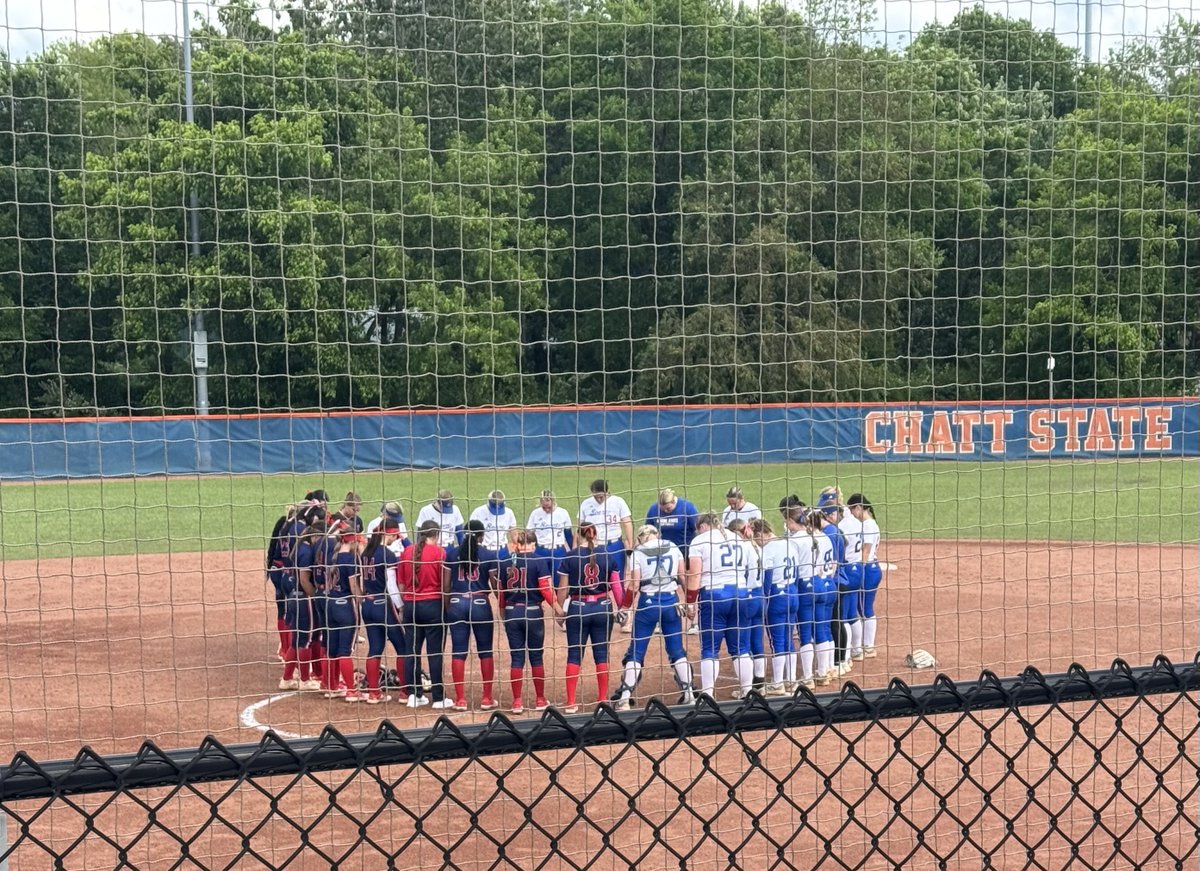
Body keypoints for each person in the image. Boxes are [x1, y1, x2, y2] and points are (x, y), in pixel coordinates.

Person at [614, 525, 693, 711]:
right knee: (676, 650)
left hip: (647, 605)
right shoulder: (673, 546)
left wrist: (624, 607)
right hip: (671, 602)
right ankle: (689, 694)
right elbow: (683, 577)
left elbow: (634, 585)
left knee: (637, 651)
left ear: (641, 537)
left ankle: (625, 698)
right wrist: (690, 603)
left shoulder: (638, 552)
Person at [556, 523, 623, 713]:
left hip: (578, 608)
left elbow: (563, 589)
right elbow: (617, 587)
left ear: (579, 535)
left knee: (574, 655)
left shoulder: (570, 556)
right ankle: (602, 700)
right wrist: (622, 608)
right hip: (603, 608)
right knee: (601, 654)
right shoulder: (608, 555)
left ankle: (570, 702)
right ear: (596, 534)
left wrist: (559, 611)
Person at [493, 529, 562, 714]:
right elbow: (546, 589)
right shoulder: (538, 560)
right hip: (532, 613)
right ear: (532, 544)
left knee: (516, 658)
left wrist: (502, 613)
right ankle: (540, 699)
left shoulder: (505, 562)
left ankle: (517, 702)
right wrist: (559, 610)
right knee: (536, 657)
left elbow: (501, 593)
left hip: (511, 613)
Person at [686, 513, 747, 699]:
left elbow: (695, 575)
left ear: (703, 526)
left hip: (714, 596)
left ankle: (707, 695)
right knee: (740, 647)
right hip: (741, 593)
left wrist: (690, 602)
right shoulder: (736, 537)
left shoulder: (699, 541)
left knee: (710, 648)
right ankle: (747, 690)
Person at [398, 520, 453, 709]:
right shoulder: (440, 552)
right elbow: (445, 585)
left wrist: (405, 603)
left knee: (411, 652)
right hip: (433, 605)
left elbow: (401, 584)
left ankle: (414, 695)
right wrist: (446, 609)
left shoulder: (407, 552)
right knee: (434, 653)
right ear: (436, 534)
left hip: (411, 605)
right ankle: (438, 697)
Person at [446, 520, 499, 710]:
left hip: (456, 602)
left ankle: (460, 700)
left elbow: (446, 585)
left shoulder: (451, 553)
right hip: (480, 604)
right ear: (481, 536)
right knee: (485, 651)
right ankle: (486, 698)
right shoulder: (488, 554)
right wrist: (500, 601)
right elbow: (494, 584)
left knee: (459, 651)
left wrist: (447, 607)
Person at [751, 517, 802, 694]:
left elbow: (767, 580)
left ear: (759, 534)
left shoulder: (768, 551)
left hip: (776, 597)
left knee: (777, 641)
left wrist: (763, 599)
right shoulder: (789, 545)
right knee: (788, 639)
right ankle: (791, 680)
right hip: (793, 593)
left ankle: (778, 683)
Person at [360, 519, 405, 704]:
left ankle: (373, 693)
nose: (395, 539)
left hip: (367, 604)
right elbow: (392, 586)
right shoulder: (387, 554)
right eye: (395, 536)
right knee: (403, 647)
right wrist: (401, 606)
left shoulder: (366, 552)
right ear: (391, 533)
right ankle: (405, 692)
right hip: (383, 605)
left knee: (375, 648)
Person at [282, 519, 326, 693]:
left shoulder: (301, 547)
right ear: (315, 535)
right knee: (306, 641)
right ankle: (305, 679)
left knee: (297, 641)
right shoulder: (307, 551)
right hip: (304, 598)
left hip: (295, 597)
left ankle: (286, 679)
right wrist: (316, 597)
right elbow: (304, 579)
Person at [817, 488, 857, 674]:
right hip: (842, 578)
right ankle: (843, 659)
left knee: (834, 622)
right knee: (839, 621)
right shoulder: (836, 530)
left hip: (834, 580)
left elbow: (830, 561)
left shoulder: (830, 533)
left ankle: (838, 661)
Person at [325, 531, 367, 702]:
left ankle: (331, 686)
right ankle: (351, 691)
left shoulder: (332, 556)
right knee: (345, 651)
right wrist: (362, 600)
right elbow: (353, 586)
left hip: (331, 603)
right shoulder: (352, 559)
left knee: (332, 649)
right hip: (346, 607)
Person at [729, 518, 765, 695]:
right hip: (760, 595)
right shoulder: (757, 546)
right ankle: (760, 682)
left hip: (747, 597)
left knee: (742, 643)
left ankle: (747, 689)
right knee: (757, 640)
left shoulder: (742, 548)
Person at [847, 494, 883, 659]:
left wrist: (858, 569)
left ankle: (868, 646)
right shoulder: (869, 524)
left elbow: (866, 551)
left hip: (867, 569)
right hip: (871, 567)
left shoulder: (868, 525)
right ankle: (866, 645)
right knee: (863, 608)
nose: (851, 513)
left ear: (859, 508)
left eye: (852, 509)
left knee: (864, 608)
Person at [577, 479, 635, 577]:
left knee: (617, 575)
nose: (599, 499)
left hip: (614, 545)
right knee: (597, 576)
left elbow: (627, 522)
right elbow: (579, 526)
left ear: (607, 491)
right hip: (594, 546)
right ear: (592, 493)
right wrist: (580, 543)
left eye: (602, 497)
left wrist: (630, 542)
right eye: (596, 497)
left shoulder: (618, 501)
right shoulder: (586, 503)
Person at [809, 507, 839, 685]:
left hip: (818, 584)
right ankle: (829, 668)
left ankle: (822, 673)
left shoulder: (812, 539)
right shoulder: (827, 537)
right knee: (826, 628)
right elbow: (834, 562)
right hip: (830, 583)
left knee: (818, 630)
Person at [527, 489, 574, 584]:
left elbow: (568, 534)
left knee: (559, 580)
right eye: (544, 507)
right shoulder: (535, 513)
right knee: (539, 580)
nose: (547, 509)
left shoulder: (563, 513)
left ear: (553, 501)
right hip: (541, 550)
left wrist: (573, 551)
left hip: (558, 551)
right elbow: (529, 534)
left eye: (549, 507)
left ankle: (559, 599)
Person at [644, 488, 699, 558]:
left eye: (668, 508)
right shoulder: (653, 510)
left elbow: (697, 529)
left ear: (673, 501)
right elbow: (647, 530)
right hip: (663, 554)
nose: (666, 511)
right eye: (662, 509)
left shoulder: (687, 508)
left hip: (685, 552)